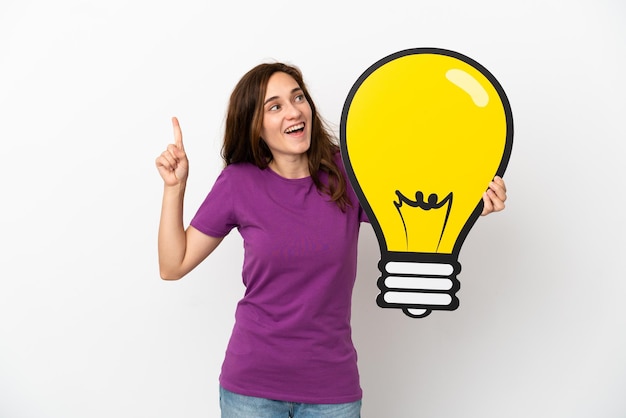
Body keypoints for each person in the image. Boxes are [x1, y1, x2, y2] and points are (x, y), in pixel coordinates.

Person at [155, 62, 507, 418]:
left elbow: (418, 201)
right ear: (254, 125)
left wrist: (474, 203)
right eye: (274, 106)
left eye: (298, 97)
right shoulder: (238, 183)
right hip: (251, 388)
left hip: (331, 390)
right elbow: (173, 265)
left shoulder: (350, 173)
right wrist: (175, 188)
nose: (294, 111)